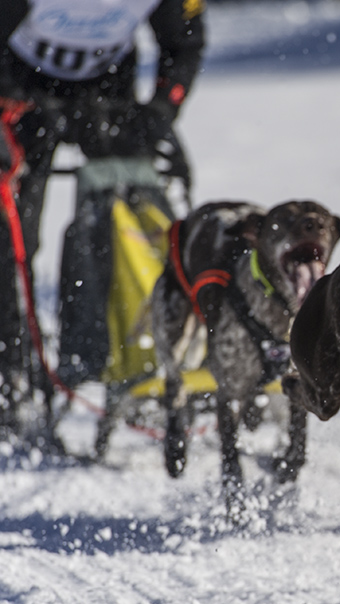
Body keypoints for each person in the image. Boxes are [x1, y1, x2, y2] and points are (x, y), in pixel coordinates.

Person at [0, 0, 205, 425]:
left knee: (133, 225)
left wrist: (162, 109)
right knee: (13, 241)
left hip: (107, 88)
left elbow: (184, 45)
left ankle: (132, 360)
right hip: (18, 85)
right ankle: (14, 376)